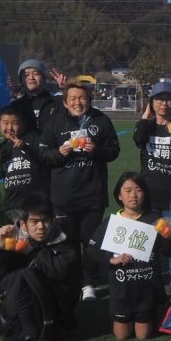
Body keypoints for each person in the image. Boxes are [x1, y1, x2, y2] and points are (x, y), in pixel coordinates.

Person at [39, 82, 121, 302]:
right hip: (63, 196)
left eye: (82, 98)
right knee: (67, 242)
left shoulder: (101, 120)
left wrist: (97, 150)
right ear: (65, 102)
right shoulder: (54, 122)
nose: (78, 102)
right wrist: (60, 153)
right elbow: (43, 155)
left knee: (91, 242)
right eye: (73, 98)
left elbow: (114, 150)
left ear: (89, 100)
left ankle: (89, 283)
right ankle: (71, 281)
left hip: (93, 195)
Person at [87, 173, 171, 341]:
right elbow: (92, 250)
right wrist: (111, 260)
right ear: (119, 195)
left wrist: (170, 237)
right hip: (121, 290)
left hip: (146, 289)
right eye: (128, 190)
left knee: (143, 336)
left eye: (138, 190)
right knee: (121, 336)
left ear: (145, 193)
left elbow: (166, 252)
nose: (133, 195)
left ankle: (153, 313)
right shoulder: (111, 222)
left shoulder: (156, 220)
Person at [0, 194, 79, 341]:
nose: (41, 226)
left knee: (27, 276)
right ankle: (27, 333)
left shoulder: (63, 240)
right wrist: (0, 249)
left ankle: (35, 333)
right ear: (23, 224)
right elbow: (0, 281)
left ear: (52, 221)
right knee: (19, 278)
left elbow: (60, 274)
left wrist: (31, 252)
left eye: (45, 220)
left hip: (55, 308)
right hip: (21, 307)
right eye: (34, 221)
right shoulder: (14, 241)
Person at [133, 80, 171, 289]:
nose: (164, 104)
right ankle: (152, 289)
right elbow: (138, 139)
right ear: (152, 102)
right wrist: (145, 114)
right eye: (159, 99)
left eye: (169, 99)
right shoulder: (147, 126)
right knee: (147, 247)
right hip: (148, 198)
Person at [0, 106, 50, 221]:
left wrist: (25, 147)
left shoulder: (35, 138)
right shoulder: (1, 148)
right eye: (5, 123)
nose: (9, 127)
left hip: (35, 205)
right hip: (10, 206)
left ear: (23, 124)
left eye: (15, 123)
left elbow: (45, 158)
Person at [10, 59, 66, 132]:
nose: (31, 78)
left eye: (36, 74)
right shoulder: (16, 106)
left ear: (44, 78)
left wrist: (65, 89)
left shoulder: (56, 102)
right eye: (26, 75)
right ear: (21, 81)